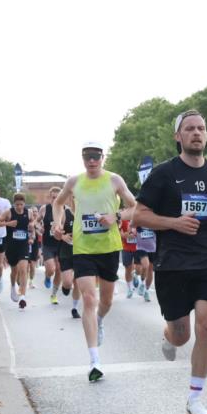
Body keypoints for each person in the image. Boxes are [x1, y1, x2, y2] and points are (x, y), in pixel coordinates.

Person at [134, 110, 207, 414]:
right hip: (173, 264)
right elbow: (139, 216)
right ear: (178, 136)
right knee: (182, 335)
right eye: (190, 128)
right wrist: (173, 223)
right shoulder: (164, 174)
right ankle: (169, 337)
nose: (197, 133)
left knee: (206, 326)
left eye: (201, 128)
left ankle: (195, 398)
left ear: (206, 135)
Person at [52, 141, 137, 382]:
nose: (92, 161)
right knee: (89, 299)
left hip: (109, 248)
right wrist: (56, 224)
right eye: (87, 156)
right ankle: (94, 361)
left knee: (106, 302)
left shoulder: (114, 180)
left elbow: (135, 207)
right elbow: (58, 203)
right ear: (82, 158)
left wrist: (116, 216)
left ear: (102, 157)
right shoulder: (74, 182)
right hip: (83, 248)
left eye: (96, 156)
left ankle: (100, 320)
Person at [0, 193, 33, 309]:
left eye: (21, 204)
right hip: (11, 246)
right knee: (14, 271)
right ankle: (13, 286)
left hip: (23, 245)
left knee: (23, 269)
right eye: (17, 204)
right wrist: (8, 223)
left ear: (24, 204)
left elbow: (32, 222)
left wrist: (32, 226)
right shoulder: (9, 212)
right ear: (14, 204)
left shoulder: (28, 212)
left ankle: (22, 296)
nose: (19, 207)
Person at [42, 187, 62, 302]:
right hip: (48, 244)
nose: (55, 199)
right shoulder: (45, 209)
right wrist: (38, 227)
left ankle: (54, 294)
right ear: (50, 197)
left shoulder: (65, 209)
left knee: (59, 269)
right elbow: (36, 221)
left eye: (57, 197)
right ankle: (47, 276)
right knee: (51, 269)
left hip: (60, 244)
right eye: (53, 197)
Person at [133, 222, 156, 302]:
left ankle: (146, 290)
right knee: (146, 265)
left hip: (153, 248)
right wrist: (133, 230)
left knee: (150, 270)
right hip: (141, 248)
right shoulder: (139, 218)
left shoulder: (155, 219)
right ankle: (142, 283)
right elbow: (131, 226)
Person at [119, 217, 141, 298]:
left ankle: (135, 274)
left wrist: (136, 234)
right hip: (126, 248)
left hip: (138, 248)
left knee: (139, 269)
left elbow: (144, 232)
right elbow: (120, 233)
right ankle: (129, 288)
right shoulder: (123, 220)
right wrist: (127, 235)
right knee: (128, 268)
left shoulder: (139, 219)